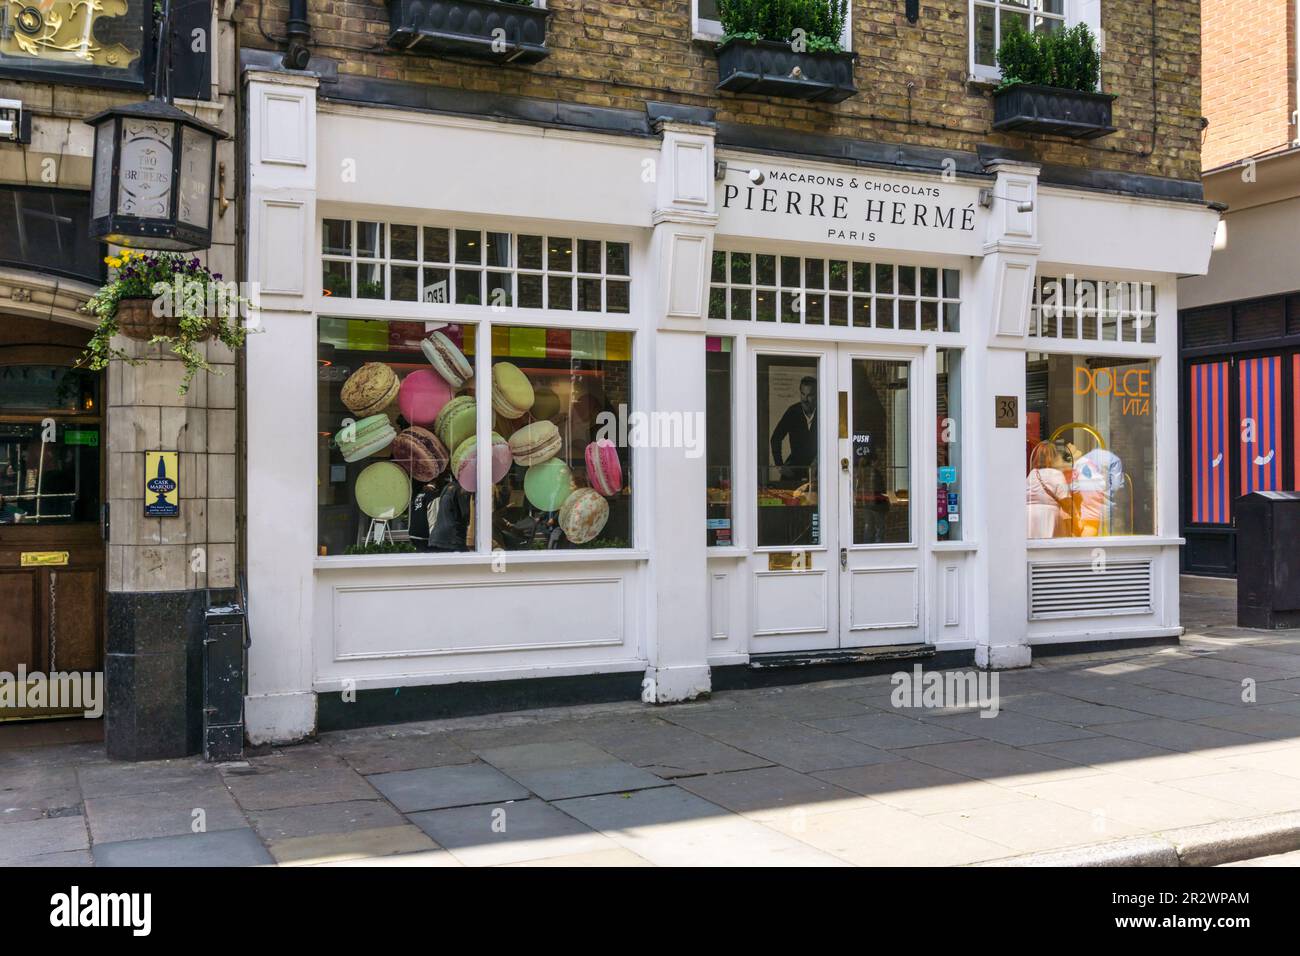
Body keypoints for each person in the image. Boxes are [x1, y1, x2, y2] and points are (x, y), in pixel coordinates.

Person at [770, 375, 817, 481]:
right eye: (802, 394)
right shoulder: (793, 411)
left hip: (819, 470)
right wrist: (780, 466)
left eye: (810, 395)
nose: (805, 399)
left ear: (817, 395)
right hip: (795, 470)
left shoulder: (823, 412)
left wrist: (818, 463)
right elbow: (776, 438)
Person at [1026, 440, 1074, 538]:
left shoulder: (1032, 474)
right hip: (1049, 517)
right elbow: (1065, 500)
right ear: (1054, 457)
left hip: (1029, 516)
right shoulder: (1056, 474)